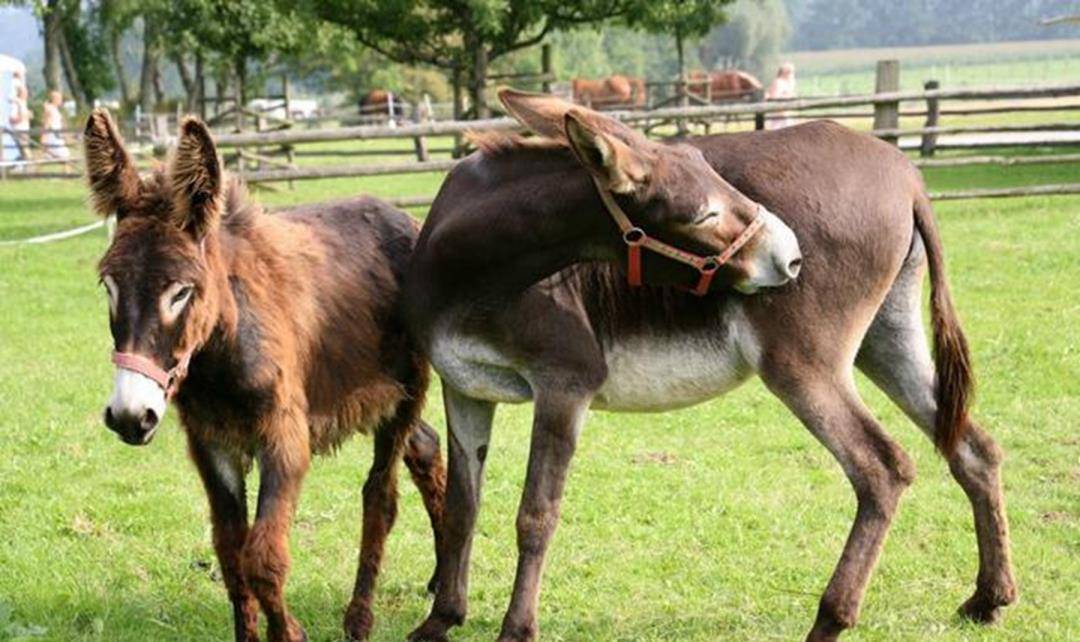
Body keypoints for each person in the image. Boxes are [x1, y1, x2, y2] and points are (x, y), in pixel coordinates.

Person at [41, 90, 71, 163]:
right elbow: (46, 124)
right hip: (53, 137)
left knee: (64, 158)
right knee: (63, 157)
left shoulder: (55, 109)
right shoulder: (50, 109)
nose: (61, 100)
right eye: (60, 99)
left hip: (57, 136)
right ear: (54, 99)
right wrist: (43, 138)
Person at [765, 62, 797, 130]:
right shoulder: (778, 82)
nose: (792, 74)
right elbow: (774, 98)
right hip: (779, 113)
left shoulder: (790, 82)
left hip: (787, 112)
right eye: (790, 72)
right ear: (785, 72)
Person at [8, 79, 31, 161]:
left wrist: (28, 115)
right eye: (24, 92)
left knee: (25, 152)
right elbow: (12, 119)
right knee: (26, 153)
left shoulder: (23, 103)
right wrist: (21, 118)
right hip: (19, 130)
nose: (26, 94)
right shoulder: (16, 104)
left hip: (25, 129)